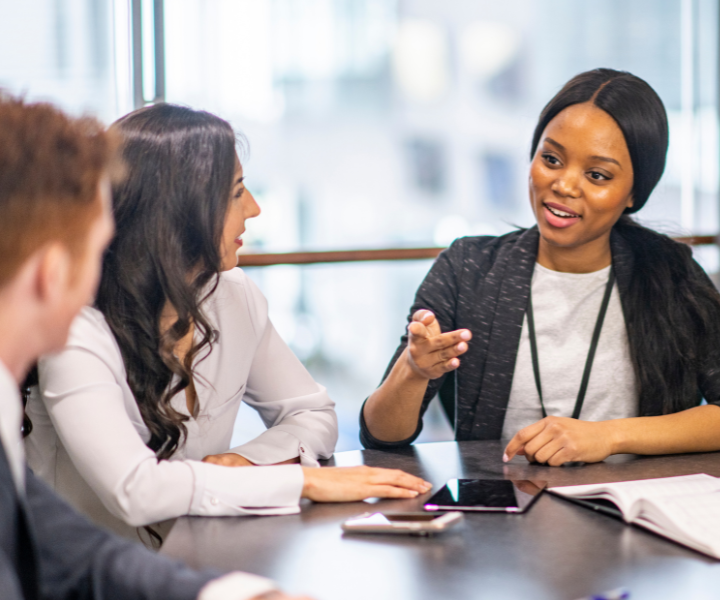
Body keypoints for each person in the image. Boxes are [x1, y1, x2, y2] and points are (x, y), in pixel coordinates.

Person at [25, 103, 429, 543]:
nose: (253, 209)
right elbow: (134, 490)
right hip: (85, 577)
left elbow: (313, 414)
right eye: (236, 192)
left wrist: (247, 462)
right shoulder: (75, 327)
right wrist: (302, 482)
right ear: (177, 210)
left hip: (194, 558)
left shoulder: (232, 294)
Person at [0, 89, 313, 599]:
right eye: (98, 249)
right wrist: (299, 484)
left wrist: (227, 593)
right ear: (52, 273)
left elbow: (71, 545)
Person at [359, 68, 720, 465]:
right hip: (501, 518)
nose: (564, 185)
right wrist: (412, 371)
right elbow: (381, 435)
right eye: (552, 159)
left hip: (634, 514)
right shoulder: (468, 270)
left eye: (596, 175)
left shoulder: (670, 273)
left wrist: (608, 436)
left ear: (634, 193)